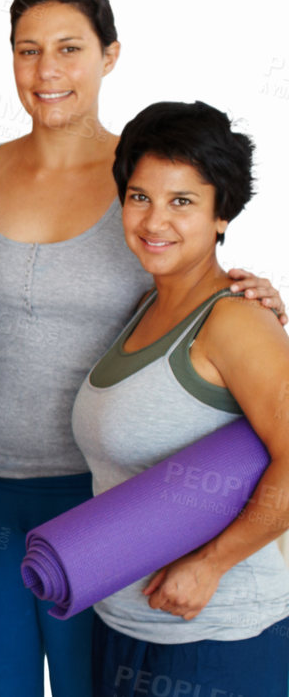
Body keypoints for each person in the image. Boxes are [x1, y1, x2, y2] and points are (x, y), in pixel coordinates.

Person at [0, 0, 284, 697]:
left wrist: (255, 297)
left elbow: (201, 295)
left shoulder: (148, 175)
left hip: (108, 499)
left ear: (111, 55)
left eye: (70, 48)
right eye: (28, 50)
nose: (48, 71)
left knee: (93, 683)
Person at [77, 101, 289, 696]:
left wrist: (212, 563)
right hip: (126, 624)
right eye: (140, 196)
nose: (154, 221)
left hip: (216, 638)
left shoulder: (237, 321)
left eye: (183, 202)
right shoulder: (150, 306)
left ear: (222, 213)